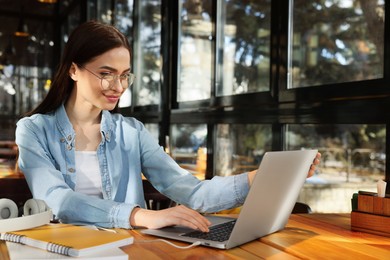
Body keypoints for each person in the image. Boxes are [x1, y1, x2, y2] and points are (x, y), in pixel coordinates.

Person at [15, 21, 320, 232]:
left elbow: (192, 191)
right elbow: (59, 200)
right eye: (106, 73)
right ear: (73, 70)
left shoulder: (130, 132)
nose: (118, 86)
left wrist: (257, 177)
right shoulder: (33, 130)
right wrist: (140, 216)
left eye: (125, 75)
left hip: (129, 250)